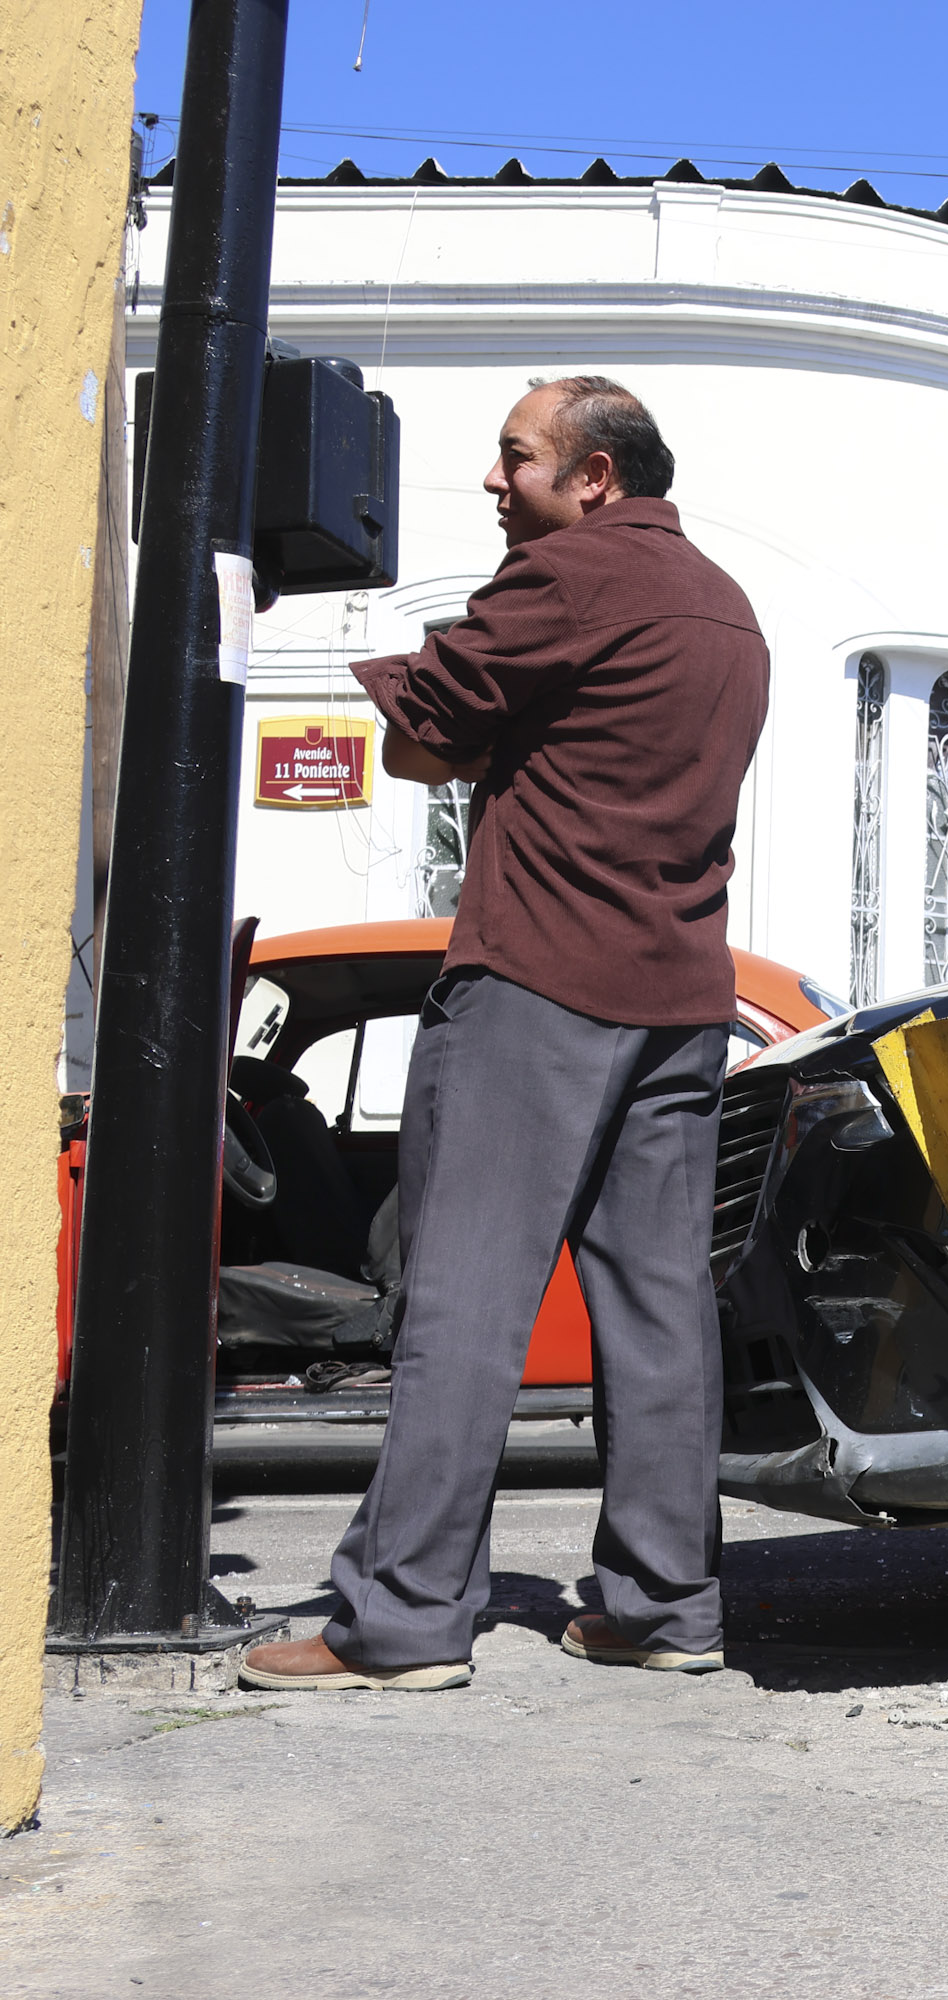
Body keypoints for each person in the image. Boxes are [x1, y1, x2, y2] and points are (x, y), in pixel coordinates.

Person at [243, 376, 769, 1692]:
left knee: (463, 1306)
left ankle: (403, 1620)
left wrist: (413, 681)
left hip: (538, 981)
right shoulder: (727, 611)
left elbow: (423, 738)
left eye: (516, 457)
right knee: (657, 1314)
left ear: (595, 478)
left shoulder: (572, 575)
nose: (495, 480)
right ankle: (666, 1606)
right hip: (682, 999)